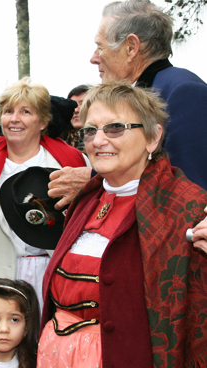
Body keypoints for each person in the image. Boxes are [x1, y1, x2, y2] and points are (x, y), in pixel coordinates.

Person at [38, 82, 207, 367]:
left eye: (115, 127)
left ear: (153, 137)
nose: (99, 140)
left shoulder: (188, 206)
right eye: (90, 130)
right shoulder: (86, 198)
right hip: (57, 355)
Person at [50, 0, 207, 209]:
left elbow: (189, 195)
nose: (93, 58)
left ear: (131, 48)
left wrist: (94, 178)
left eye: (100, 47)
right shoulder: (142, 92)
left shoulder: (184, 91)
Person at [0, 77, 89, 309]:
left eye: (26, 111)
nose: (14, 119)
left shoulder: (71, 163)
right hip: (1, 271)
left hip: (56, 272)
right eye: (8, 111)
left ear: (43, 121)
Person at [60, 85, 89, 152]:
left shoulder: (104, 140)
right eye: (72, 105)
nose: (76, 110)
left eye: (82, 104)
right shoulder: (57, 143)